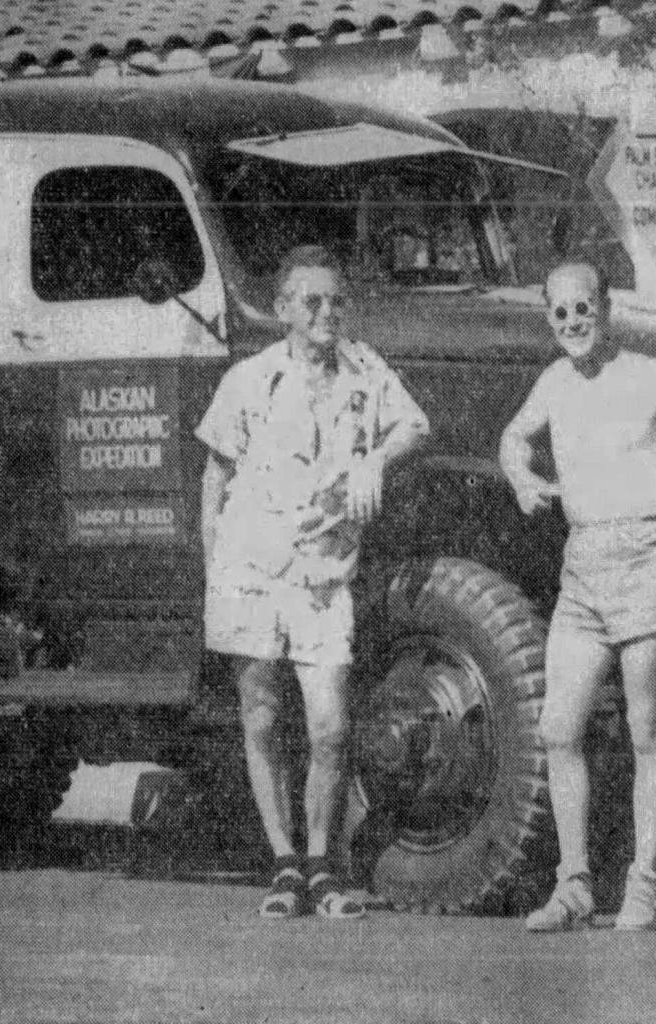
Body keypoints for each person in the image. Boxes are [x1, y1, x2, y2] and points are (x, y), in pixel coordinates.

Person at [500, 262, 656, 931]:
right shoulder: (554, 380)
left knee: (646, 730)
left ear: (607, 308)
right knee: (558, 728)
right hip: (581, 570)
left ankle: (642, 883)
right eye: (558, 313)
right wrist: (521, 477)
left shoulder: (651, 373)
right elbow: (511, 438)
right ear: (547, 317)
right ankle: (574, 882)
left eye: (582, 308)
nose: (572, 323)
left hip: (648, 567)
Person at [195, 245, 429, 919]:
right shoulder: (249, 379)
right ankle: (284, 866)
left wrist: (373, 465)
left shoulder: (364, 369)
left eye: (336, 301)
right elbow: (214, 479)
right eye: (313, 302)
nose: (328, 314)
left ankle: (323, 865)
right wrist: (216, 574)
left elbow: (414, 424)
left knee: (328, 726)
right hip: (250, 564)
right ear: (283, 311)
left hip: (322, 572)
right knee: (261, 714)